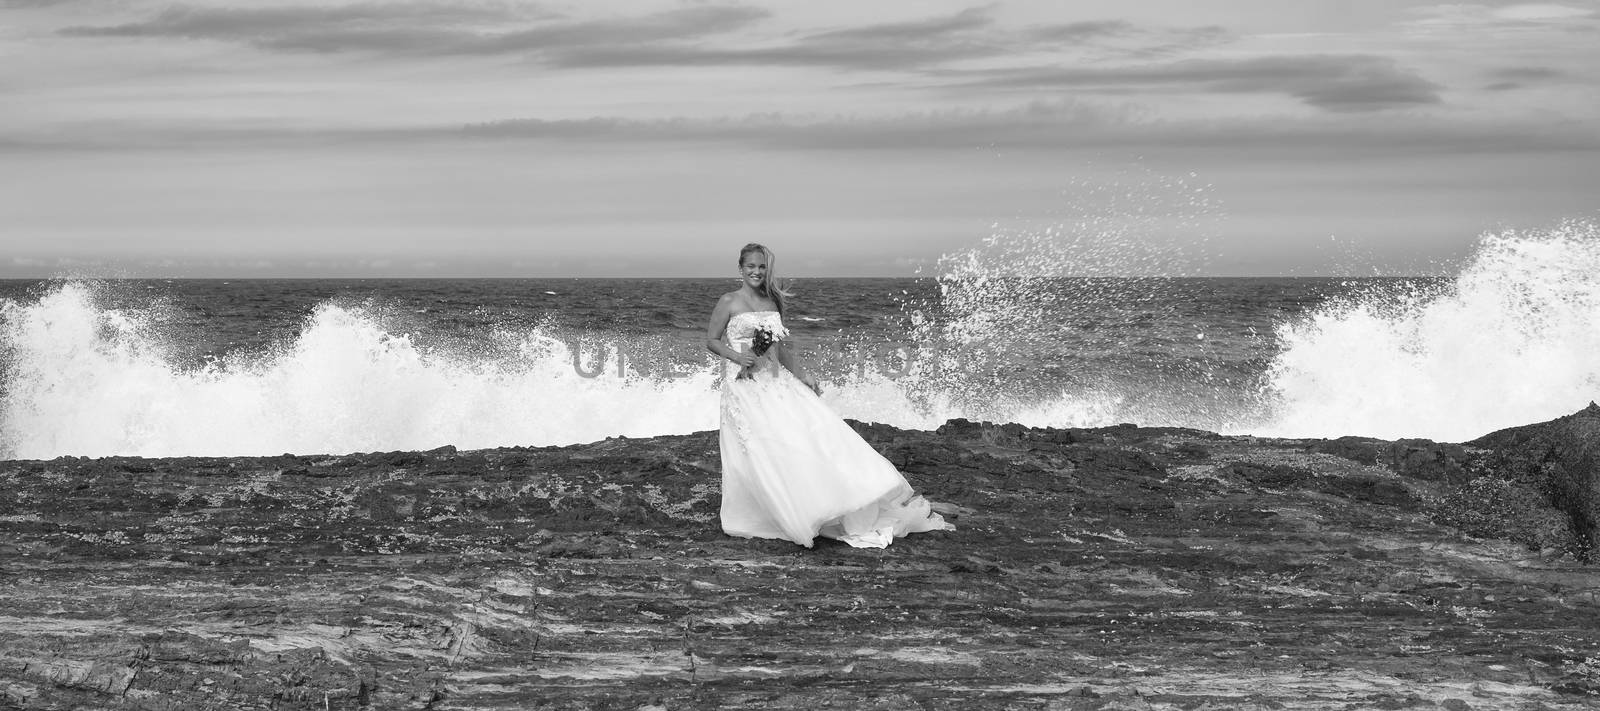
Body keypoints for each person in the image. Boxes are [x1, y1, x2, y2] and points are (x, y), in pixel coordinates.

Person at [705, 243, 952, 548]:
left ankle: (818, 503)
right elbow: (711, 340)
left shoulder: (771, 303)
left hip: (774, 381)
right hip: (742, 386)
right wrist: (735, 356)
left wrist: (803, 374)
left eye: (762, 267)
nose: (756, 272)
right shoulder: (729, 301)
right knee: (755, 448)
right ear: (740, 268)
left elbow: (781, 350)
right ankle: (764, 511)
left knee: (799, 437)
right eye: (751, 266)